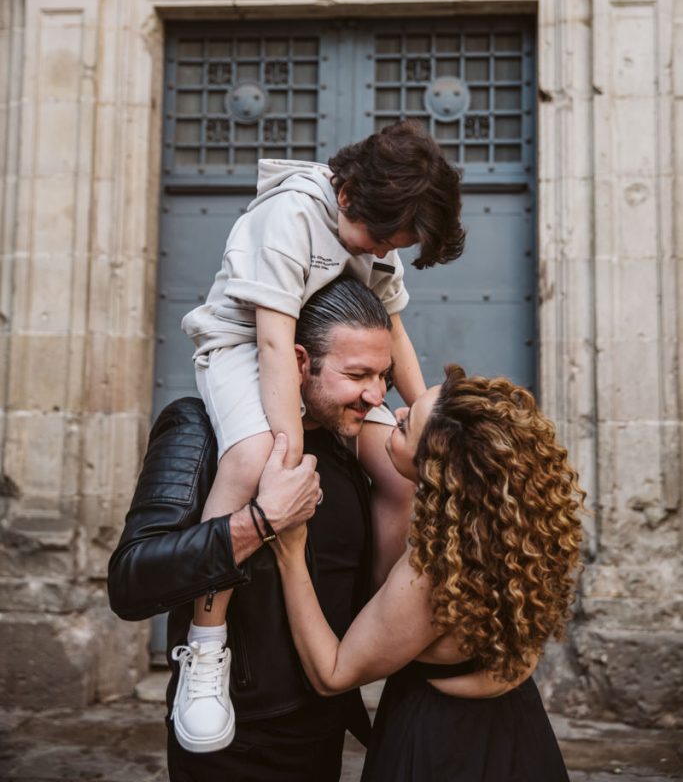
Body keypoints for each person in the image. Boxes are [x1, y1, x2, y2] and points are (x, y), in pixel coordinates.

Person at [176, 119, 465, 750]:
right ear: (348, 194)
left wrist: (433, 425)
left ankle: (371, 621)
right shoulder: (288, 216)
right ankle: (204, 646)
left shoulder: (378, 234)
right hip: (242, 346)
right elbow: (275, 340)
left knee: (397, 467)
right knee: (255, 458)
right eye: (382, 237)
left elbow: (395, 332)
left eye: (397, 243)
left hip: (317, 353)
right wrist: (288, 449)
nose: (385, 250)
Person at [109, 277, 421, 782]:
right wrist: (258, 522)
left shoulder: (355, 443)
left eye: (384, 374)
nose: (376, 394)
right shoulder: (201, 430)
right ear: (299, 362)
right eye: (358, 374)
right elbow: (132, 582)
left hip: (323, 729)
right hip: (232, 739)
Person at [273, 364, 585, 782]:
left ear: (438, 473)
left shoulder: (434, 574)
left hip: (441, 746)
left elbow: (333, 674)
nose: (395, 414)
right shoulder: (519, 536)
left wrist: (290, 551)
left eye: (405, 427)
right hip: (516, 728)